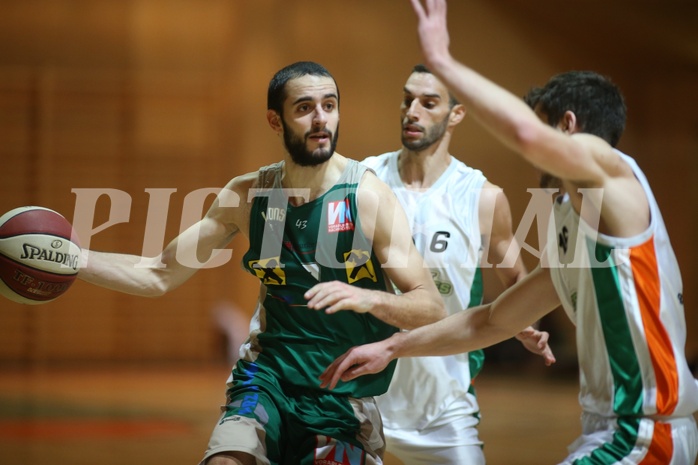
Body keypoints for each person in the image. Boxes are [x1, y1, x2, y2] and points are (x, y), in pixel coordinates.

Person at [319, 1, 698, 463]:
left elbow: (526, 137)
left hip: (639, 435)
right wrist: (391, 347)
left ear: (568, 128)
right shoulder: (580, 236)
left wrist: (443, 62)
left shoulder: (608, 170)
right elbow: (491, 320)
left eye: (544, 128)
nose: (531, 155)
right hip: (618, 432)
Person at [77, 61, 446, 465]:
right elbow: (159, 273)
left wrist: (368, 299)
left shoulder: (367, 196)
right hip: (265, 380)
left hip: (340, 396)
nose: (321, 118)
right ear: (276, 120)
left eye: (329, 105)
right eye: (305, 108)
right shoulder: (249, 194)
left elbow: (430, 306)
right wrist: (76, 259)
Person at [358, 64, 555, 464]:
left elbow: (517, 277)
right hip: (362, 398)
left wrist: (526, 326)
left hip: (443, 406)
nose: (412, 111)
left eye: (429, 103)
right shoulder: (364, 178)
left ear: (456, 114)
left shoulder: (481, 197)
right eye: (407, 98)